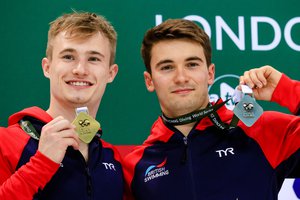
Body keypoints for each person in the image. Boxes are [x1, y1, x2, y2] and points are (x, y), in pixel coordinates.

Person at [123, 19, 300, 200]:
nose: (181, 77)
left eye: (192, 64)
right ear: (149, 80)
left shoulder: (259, 132)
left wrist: (288, 90)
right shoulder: (135, 167)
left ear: (210, 73)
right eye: (167, 67)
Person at [0, 12, 123, 199]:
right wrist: (41, 164)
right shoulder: (5, 143)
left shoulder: (112, 159)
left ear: (111, 73)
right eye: (68, 57)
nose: (80, 70)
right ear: (47, 67)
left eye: (93, 59)